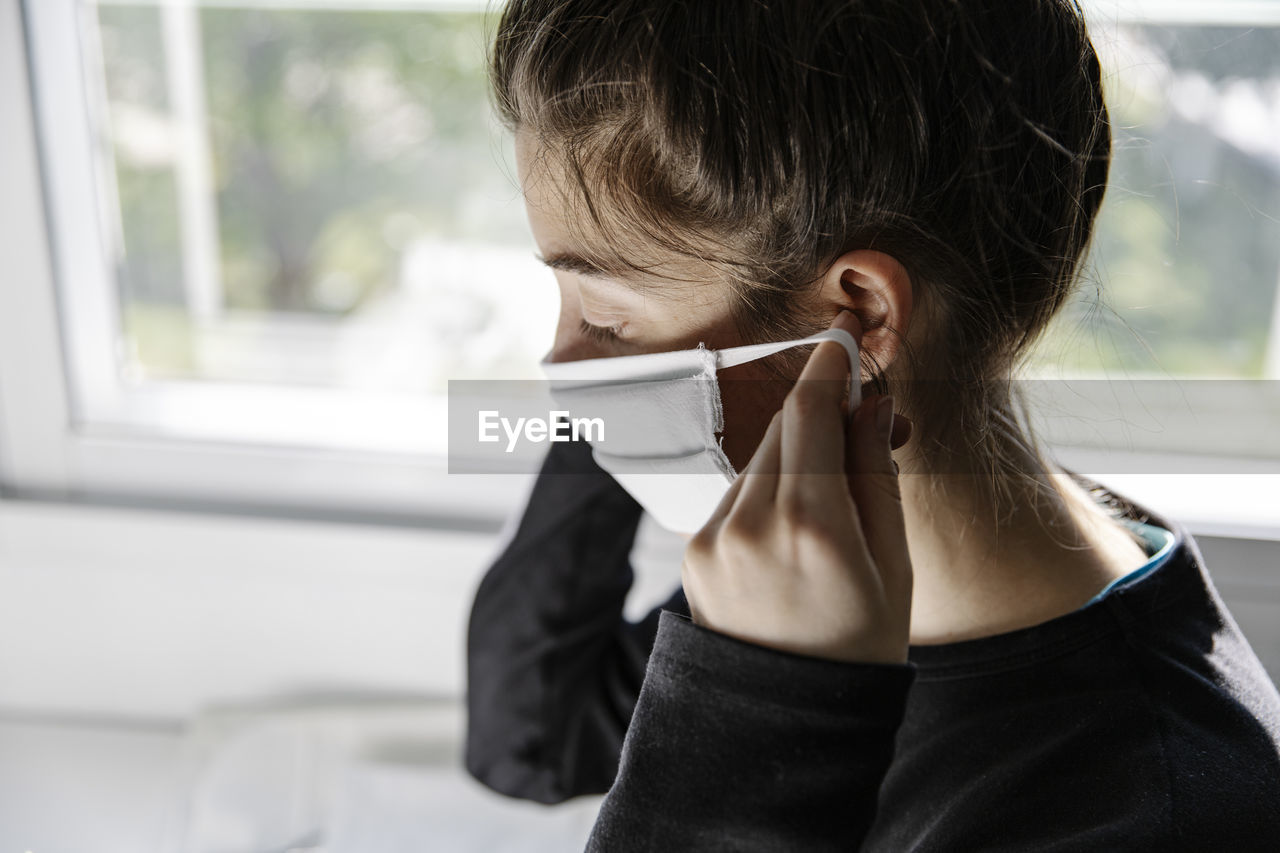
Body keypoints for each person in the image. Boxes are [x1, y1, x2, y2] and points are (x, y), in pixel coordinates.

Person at [464, 0, 1280, 849]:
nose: (559, 368)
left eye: (606, 314)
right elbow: (532, 735)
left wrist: (759, 716)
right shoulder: (805, 573)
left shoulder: (1157, 810)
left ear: (857, 313)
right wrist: (615, 390)